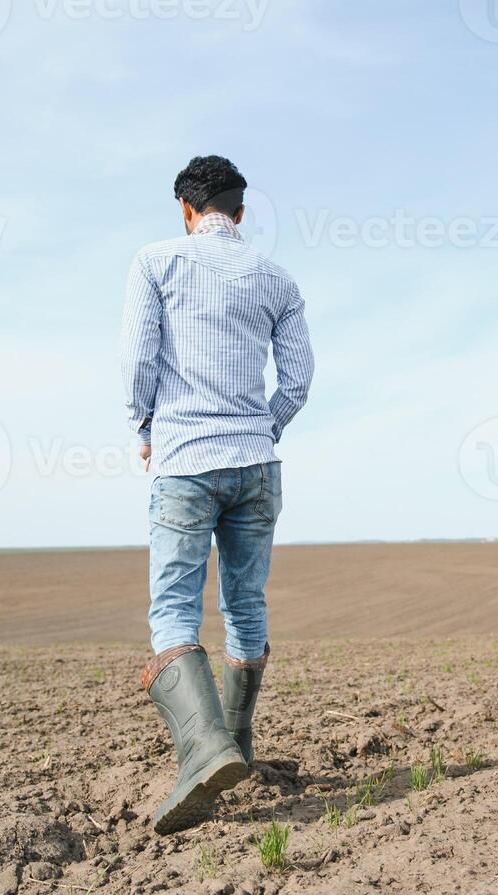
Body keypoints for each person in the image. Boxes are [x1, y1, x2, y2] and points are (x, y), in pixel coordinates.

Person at [120, 155, 315, 834]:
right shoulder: (277, 278)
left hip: (184, 461)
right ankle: (238, 745)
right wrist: (264, 428)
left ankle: (204, 750)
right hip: (256, 464)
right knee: (246, 606)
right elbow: (296, 380)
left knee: (173, 609)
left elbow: (138, 358)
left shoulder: (156, 261)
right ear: (239, 210)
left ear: (184, 208)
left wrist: (143, 427)